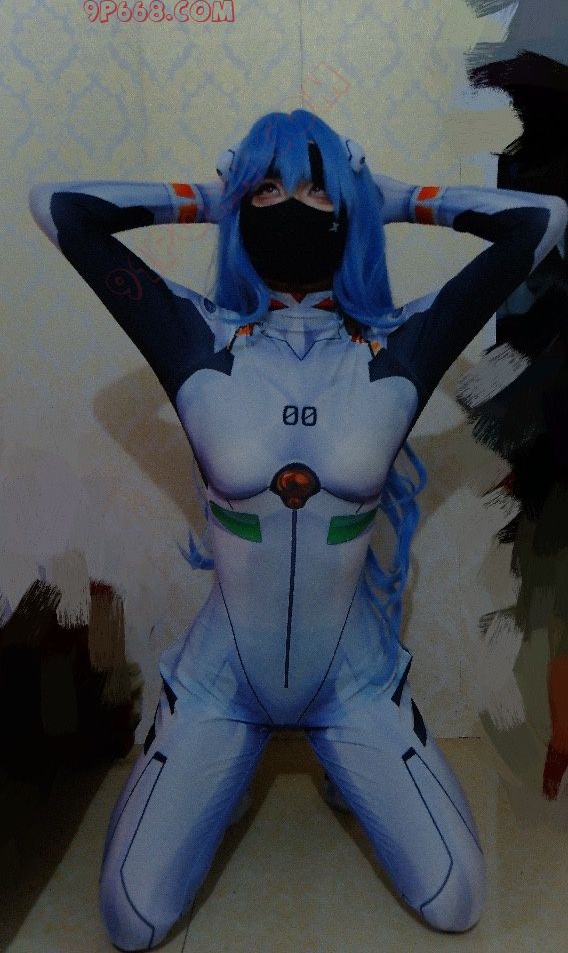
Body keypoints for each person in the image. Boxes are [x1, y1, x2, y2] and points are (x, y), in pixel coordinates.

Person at [29, 109, 567, 951]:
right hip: (222, 682)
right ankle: (221, 760)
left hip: (353, 677)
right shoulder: (194, 335)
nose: (290, 208)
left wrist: (395, 198)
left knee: (457, 901)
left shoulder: (398, 346)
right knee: (133, 923)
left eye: (319, 191)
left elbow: (540, 220)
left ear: (350, 208)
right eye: (268, 190)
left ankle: (349, 762)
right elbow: (59, 206)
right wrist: (213, 196)